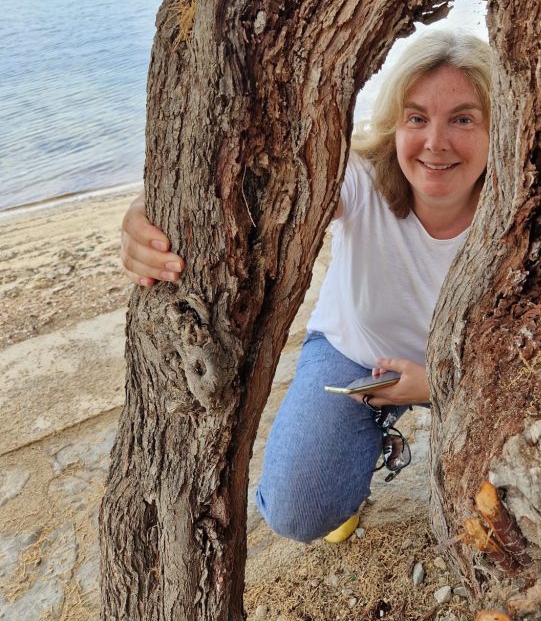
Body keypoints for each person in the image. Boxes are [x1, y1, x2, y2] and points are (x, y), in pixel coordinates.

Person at [120, 29, 491, 543]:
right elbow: (244, 189)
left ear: (500, 130)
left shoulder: (516, 208)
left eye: (464, 119)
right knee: (296, 512)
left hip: (469, 370)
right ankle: (362, 449)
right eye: (417, 117)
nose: (435, 142)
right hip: (357, 360)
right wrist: (147, 215)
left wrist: (440, 384)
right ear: (394, 124)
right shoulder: (360, 180)